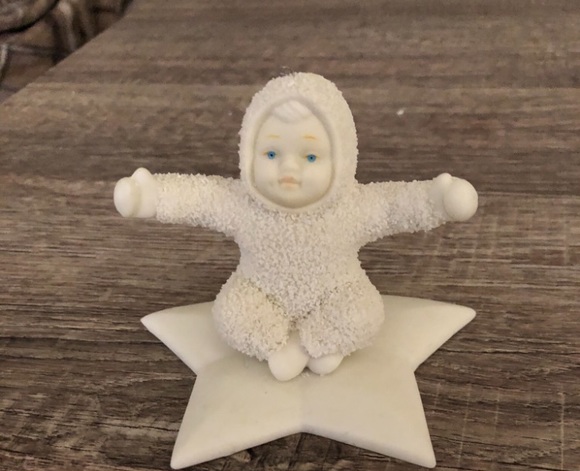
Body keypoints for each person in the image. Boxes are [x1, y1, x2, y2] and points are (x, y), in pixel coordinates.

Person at [114, 73, 478, 381]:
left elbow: (395, 205)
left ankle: (317, 343)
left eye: (311, 156)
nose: (289, 169)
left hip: (335, 292)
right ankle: (276, 346)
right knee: (232, 314)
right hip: (260, 291)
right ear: (247, 153)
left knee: (363, 314)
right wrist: (150, 196)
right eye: (271, 154)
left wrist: (439, 201)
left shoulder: (351, 206)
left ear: (342, 159)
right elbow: (200, 196)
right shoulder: (241, 203)